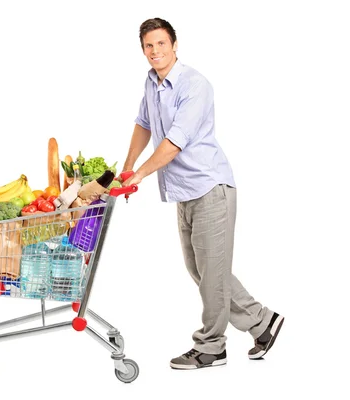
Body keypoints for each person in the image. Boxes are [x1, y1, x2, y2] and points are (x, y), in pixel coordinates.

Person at [121, 17, 284, 370]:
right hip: (184, 191)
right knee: (202, 269)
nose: (155, 51)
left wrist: (140, 176)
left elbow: (174, 144)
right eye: (148, 46)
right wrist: (128, 166)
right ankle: (262, 322)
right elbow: (144, 124)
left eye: (161, 44)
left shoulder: (195, 85)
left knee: (211, 271)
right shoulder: (151, 83)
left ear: (175, 45)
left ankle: (212, 346)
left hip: (210, 188)